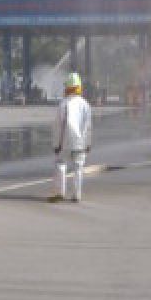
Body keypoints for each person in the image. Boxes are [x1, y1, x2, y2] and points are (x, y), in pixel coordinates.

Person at [49, 72, 92, 203]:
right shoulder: (85, 104)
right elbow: (88, 126)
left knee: (61, 165)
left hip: (66, 142)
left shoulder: (64, 104)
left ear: (67, 87)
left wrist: (56, 144)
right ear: (79, 87)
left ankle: (59, 193)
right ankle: (76, 195)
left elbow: (58, 126)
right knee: (78, 168)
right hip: (80, 143)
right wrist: (88, 144)